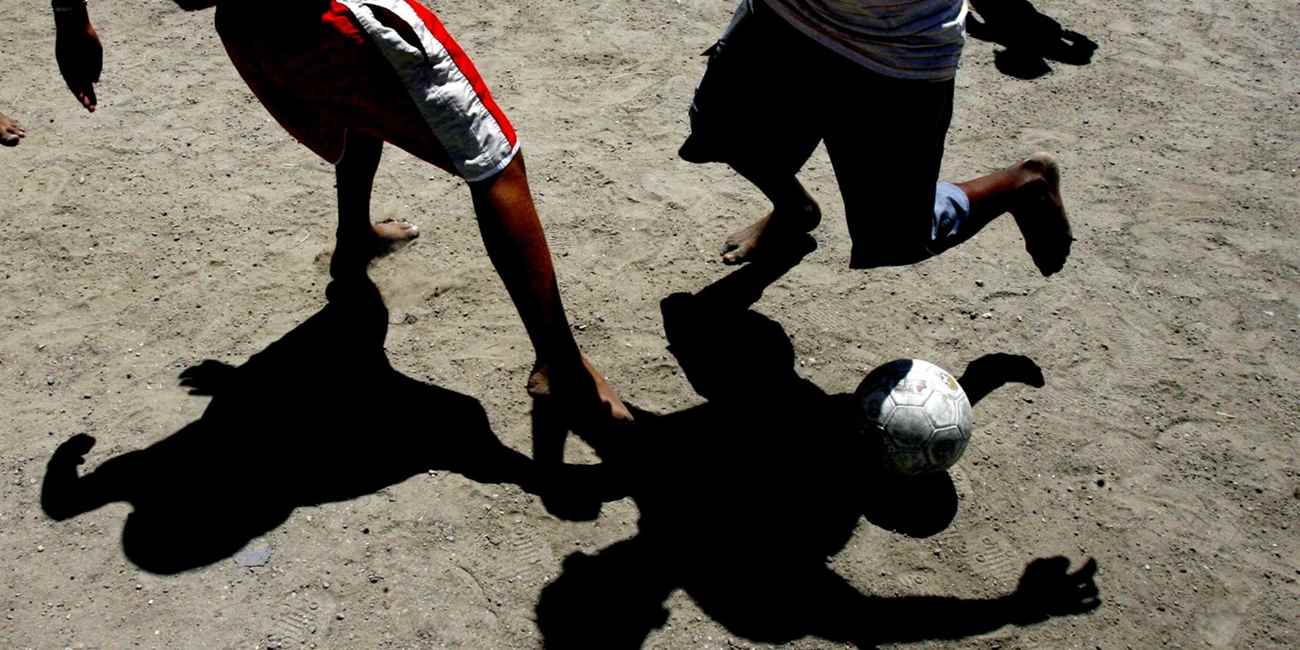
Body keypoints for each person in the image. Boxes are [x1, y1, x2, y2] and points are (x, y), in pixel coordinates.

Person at [51, 0, 630, 425]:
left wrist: (70, 17)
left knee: (357, 108)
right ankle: (562, 365)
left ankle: (354, 237)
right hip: (334, 20)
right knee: (494, 161)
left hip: (254, 33)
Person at [678, 0, 1073, 275]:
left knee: (896, 239)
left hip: (896, 54)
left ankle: (1022, 183)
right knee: (722, 133)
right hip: (781, 16)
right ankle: (793, 209)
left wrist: (1015, 22)